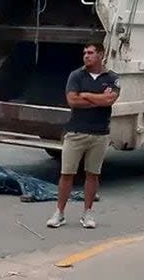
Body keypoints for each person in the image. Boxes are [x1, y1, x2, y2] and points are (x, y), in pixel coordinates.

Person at [47, 42, 120, 230]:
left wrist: (86, 95)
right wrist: (98, 99)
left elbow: (110, 100)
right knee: (66, 174)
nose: (86, 56)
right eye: (84, 53)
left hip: (100, 134)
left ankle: (88, 213)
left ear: (101, 55)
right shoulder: (76, 75)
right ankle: (59, 213)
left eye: (90, 53)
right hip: (76, 132)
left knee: (92, 174)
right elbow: (73, 101)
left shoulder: (112, 78)